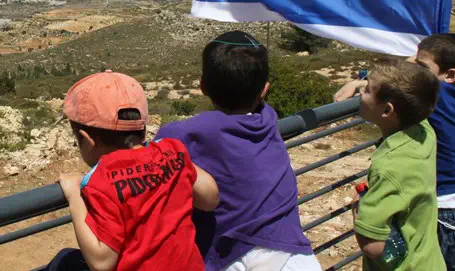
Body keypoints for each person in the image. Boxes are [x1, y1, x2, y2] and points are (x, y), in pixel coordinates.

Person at [156, 31, 320, 271]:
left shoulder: (181, 135)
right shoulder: (267, 118)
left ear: (202, 86)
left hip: (236, 260)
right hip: (295, 257)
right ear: (264, 91)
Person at [335, 33, 455, 270]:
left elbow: (402, 84)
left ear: (450, 75)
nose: (413, 66)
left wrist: (361, 81)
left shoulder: (438, 94)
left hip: (445, 213)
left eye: (421, 65)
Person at [52, 70, 220, 271]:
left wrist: (74, 197)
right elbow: (210, 199)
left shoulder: (102, 179)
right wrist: (174, 161)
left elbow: (101, 261)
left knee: (62, 262)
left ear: (87, 140)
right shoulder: (172, 150)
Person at [353, 60, 445, 270]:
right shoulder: (424, 131)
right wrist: (358, 83)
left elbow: (373, 247)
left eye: (366, 91)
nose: (361, 95)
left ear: (387, 110)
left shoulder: (388, 168)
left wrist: (357, 212)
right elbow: (415, 85)